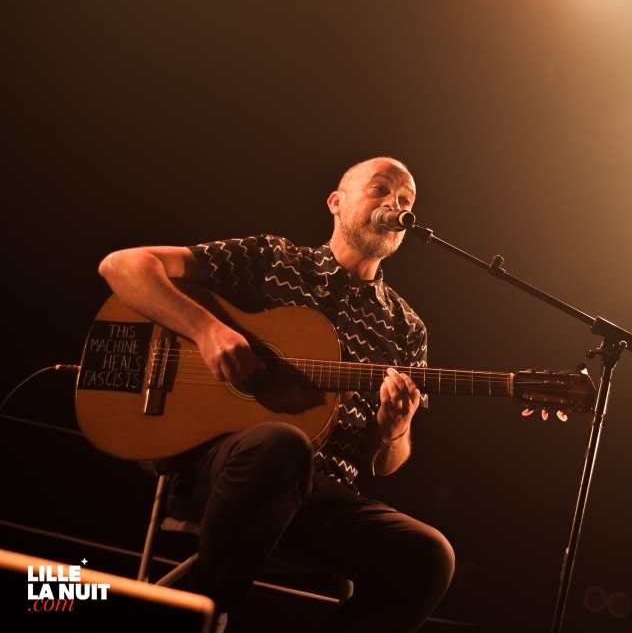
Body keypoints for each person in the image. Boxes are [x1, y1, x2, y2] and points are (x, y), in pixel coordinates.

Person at [98, 157, 455, 632]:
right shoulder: (271, 260)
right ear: (336, 202)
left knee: (429, 556)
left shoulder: (406, 328)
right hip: (227, 474)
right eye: (381, 190)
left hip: (321, 496)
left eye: (406, 201)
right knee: (281, 444)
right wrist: (208, 332)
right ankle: (204, 612)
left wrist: (395, 431)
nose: (396, 204)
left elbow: (384, 466)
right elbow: (123, 266)